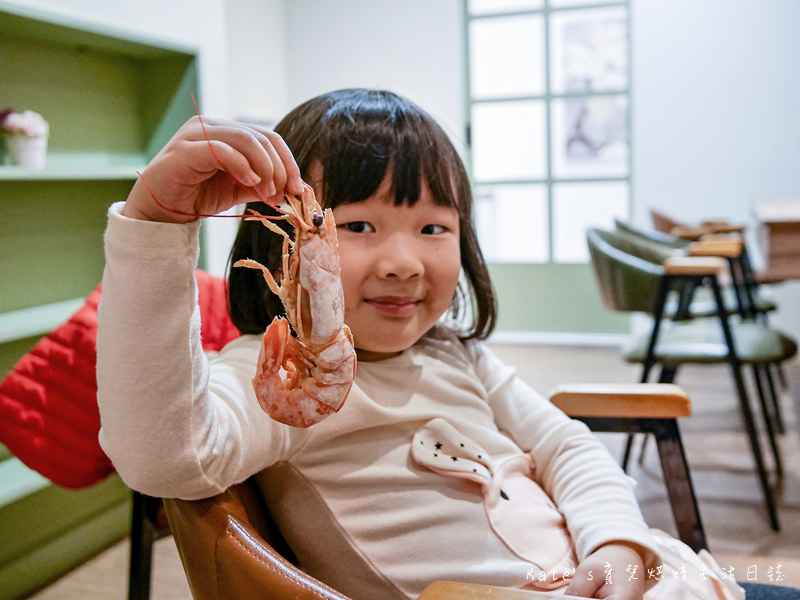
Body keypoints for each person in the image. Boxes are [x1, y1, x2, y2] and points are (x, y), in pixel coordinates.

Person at [96, 89, 796, 600]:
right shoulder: (276, 378)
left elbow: (567, 446)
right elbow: (168, 457)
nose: (404, 261)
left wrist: (616, 540)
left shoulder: (458, 355)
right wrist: (156, 227)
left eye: (433, 228)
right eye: (359, 227)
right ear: (278, 253)